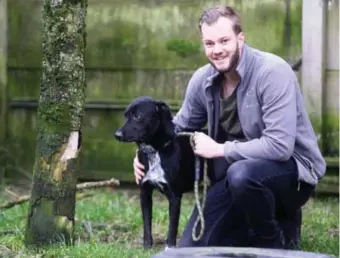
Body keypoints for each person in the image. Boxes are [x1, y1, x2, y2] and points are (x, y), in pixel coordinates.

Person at [133, 5, 326, 249]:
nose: (217, 50)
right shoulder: (203, 80)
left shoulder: (273, 72)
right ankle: (257, 222)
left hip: (291, 174)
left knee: (241, 174)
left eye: (224, 41)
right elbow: (174, 127)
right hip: (234, 178)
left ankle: (274, 240)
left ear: (240, 38)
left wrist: (220, 149)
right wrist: (143, 153)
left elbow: (280, 147)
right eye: (209, 43)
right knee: (192, 248)